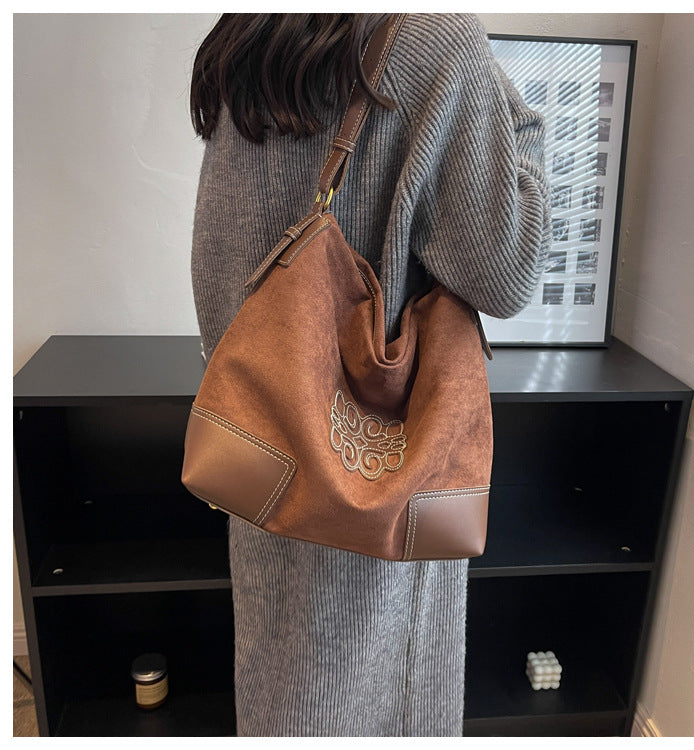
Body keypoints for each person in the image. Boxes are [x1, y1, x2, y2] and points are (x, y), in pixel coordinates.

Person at [189, 13, 550, 737]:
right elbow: (507, 273)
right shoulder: (436, 41)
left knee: (282, 686)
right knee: (369, 699)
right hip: (375, 479)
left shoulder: (251, 31)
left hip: (268, 446)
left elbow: (219, 266)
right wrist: (523, 123)